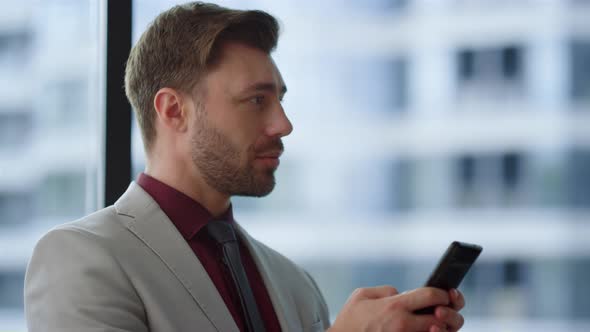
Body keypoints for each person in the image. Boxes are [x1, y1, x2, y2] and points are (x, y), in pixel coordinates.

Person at [24, 2, 466, 332]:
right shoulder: (80, 259)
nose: (284, 124)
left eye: (280, 99)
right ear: (174, 110)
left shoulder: (295, 285)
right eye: (256, 100)